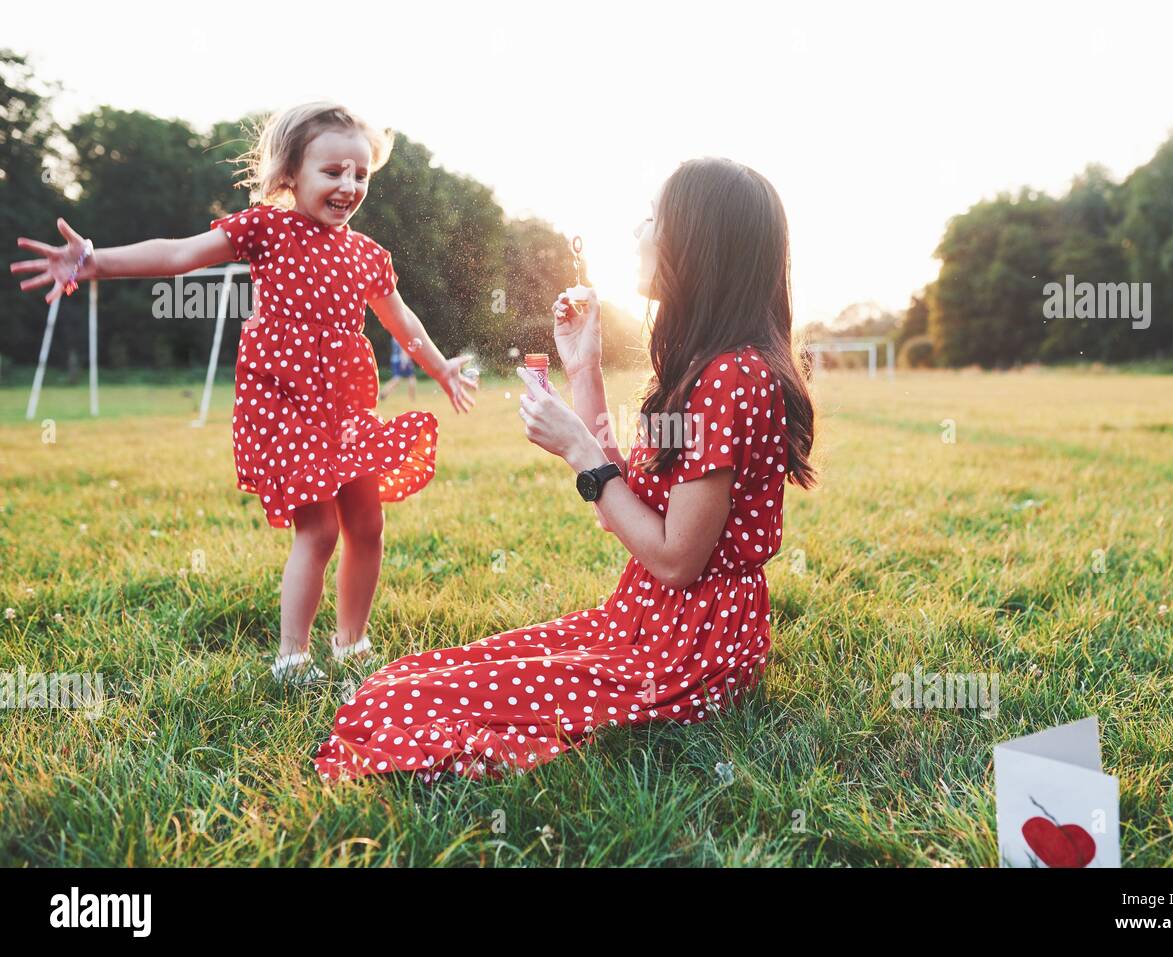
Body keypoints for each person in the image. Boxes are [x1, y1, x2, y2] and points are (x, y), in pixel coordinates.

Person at [315, 157, 816, 782]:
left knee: (399, 705)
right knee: (411, 679)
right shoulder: (709, 367)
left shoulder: (733, 378)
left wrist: (581, 453)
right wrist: (584, 367)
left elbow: (675, 559)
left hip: (688, 648)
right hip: (645, 619)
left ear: (698, 243)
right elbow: (630, 509)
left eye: (653, 218)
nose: (638, 233)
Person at [9, 102, 479, 682]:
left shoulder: (367, 255)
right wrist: (94, 261)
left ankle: (352, 644)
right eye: (332, 172)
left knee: (366, 522)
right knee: (321, 528)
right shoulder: (265, 227)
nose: (349, 186)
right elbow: (178, 255)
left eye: (360, 175)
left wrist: (440, 368)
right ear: (291, 173)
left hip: (346, 408)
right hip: (285, 406)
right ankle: (292, 657)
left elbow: (402, 321)